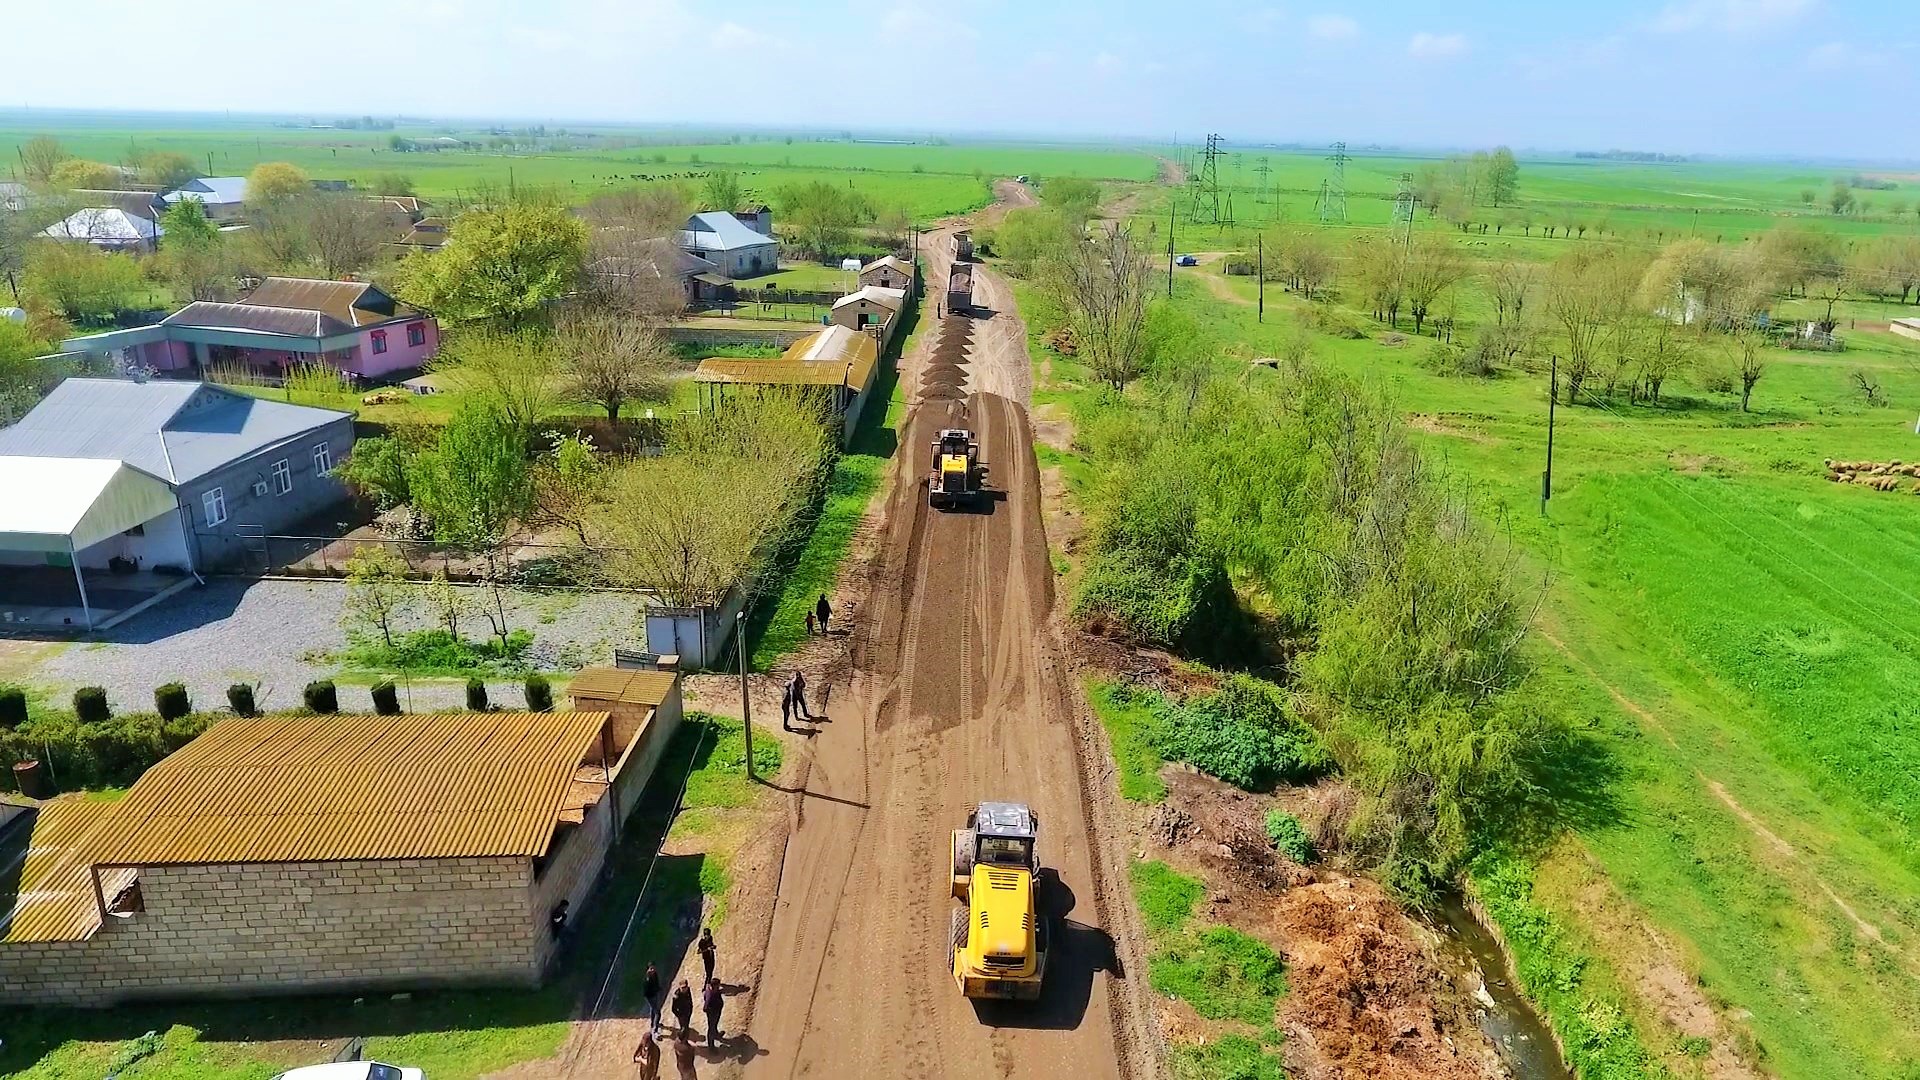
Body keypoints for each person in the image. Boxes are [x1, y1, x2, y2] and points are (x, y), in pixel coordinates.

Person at [702, 977, 725, 1049]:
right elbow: (705, 1008)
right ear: (713, 986)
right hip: (713, 1014)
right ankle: (711, 1047)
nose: (719, 987)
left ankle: (716, 1034)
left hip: (716, 1012)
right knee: (711, 1028)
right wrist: (712, 1013)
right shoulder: (710, 995)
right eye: (718, 985)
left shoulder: (714, 990)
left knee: (714, 1025)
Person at [643, 962, 664, 1036]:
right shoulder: (647, 979)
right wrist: (654, 991)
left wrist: (658, 989)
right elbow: (646, 992)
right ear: (648, 969)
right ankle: (655, 1030)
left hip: (655, 995)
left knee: (652, 1009)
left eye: (654, 968)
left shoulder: (655, 974)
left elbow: (656, 983)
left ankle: (653, 1023)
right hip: (650, 997)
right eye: (651, 968)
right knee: (657, 1013)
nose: (653, 970)